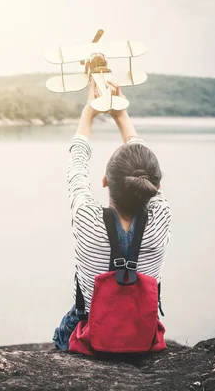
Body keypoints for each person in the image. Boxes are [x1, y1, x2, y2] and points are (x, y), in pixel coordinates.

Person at [53, 80, 172, 351]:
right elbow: (145, 164)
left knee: (65, 328)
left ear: (105, 180)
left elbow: (77, 167)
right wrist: (121, 115)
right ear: (157, 187)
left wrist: (88, 112)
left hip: (91, 334)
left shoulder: (86, 218)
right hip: (142, 334)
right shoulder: (162, 215)